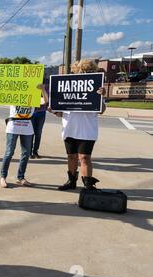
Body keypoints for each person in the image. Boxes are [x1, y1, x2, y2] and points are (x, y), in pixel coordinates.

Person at [51, 59, 107, 191]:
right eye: (82, 72)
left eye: (88, 72)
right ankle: (71, 181)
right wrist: (54, 110)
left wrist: (102, 96)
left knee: (84, 157)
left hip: (87, 130)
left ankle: (88, 185)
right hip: (69, 128)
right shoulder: (66, 87)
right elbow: (60, 113)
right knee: (71, 156)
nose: (84, 74)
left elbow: (101, 110)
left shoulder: (96, 88)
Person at [30, 79, 49, 159]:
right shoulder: (30, 86)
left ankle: (35, 151)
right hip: (31, 113)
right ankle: (29, 152)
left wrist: (43, 89)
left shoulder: (46, 88)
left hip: (41, 113)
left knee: (38, 133)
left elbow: (46, 100)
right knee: (30, 133)